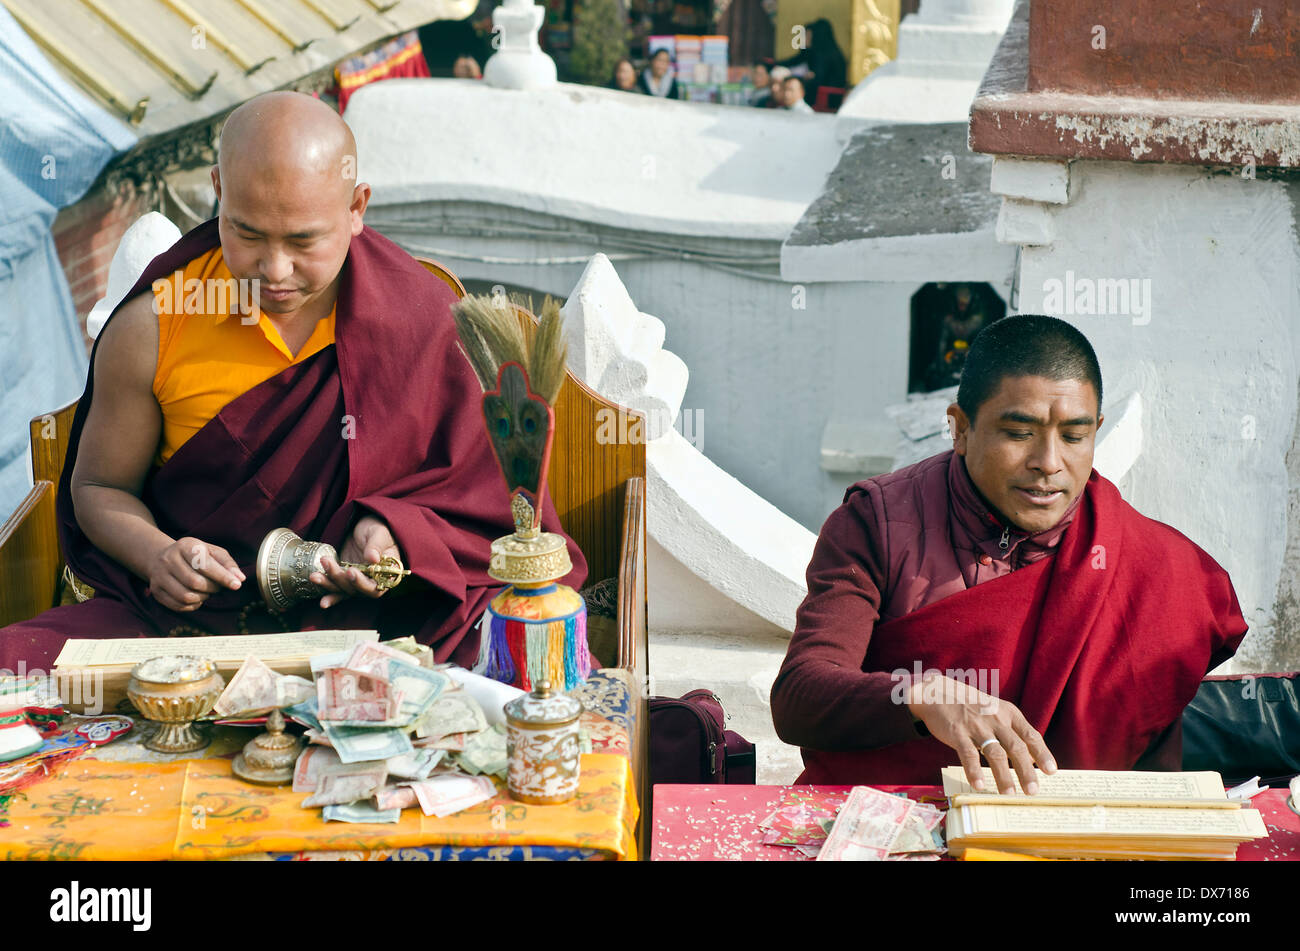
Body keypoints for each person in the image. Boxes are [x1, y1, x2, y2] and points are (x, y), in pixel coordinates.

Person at [0, 92, 586, 673]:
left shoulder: (420, 317)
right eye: (248, 234)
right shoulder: (156, 324)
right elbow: (100, 486)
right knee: (16, 666)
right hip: (193, 628)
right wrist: (159, 556)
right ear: (218, 192)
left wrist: (392, 532)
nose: (274, 271)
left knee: (524, 663)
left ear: (357, 207)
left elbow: (483, 501)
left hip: (376, 627)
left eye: (304, 240)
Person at [770, 315, 1246, 792]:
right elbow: (800, 695)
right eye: (1019, 434)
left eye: (1075, 436)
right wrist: (919, 693)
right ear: (959, 428)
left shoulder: (1157, 565)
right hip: (896, 824)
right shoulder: (880, 524)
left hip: (1084, 828)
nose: (1049, 462)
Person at [775, 18, 847, 107]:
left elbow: (818, 77)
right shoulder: (813, 51)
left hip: (827, 96)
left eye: (808, 36)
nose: (805, 39)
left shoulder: (827, 54)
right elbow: (795, 60)